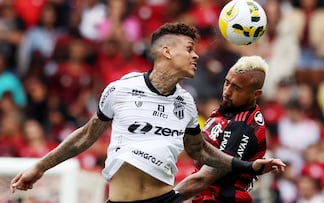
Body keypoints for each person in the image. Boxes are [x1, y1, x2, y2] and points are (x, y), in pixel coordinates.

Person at [10, 23, 285, 203]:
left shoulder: (187, 103)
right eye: (189, 49)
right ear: (166, 51)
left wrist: (248, 166)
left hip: (165, 199)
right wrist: (39, 167)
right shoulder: (121, 89)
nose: (196, 56)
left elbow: (200, 152)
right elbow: (85, 136)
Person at [175, 55, 274, 202]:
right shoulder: (227, 110)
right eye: (227, 83)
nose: (227, 91)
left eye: (237, 88)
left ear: (256, 94)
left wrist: (165, 199)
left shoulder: (244, 127)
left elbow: (203, 179)